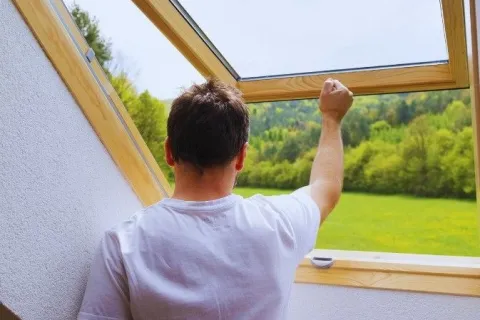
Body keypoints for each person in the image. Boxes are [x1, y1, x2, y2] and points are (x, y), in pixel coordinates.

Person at [78, 78, 353, 320]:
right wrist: (331, 117)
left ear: (169, 152)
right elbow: (326, 186)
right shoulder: (279, 223)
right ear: (242, 157)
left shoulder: (122, 244)